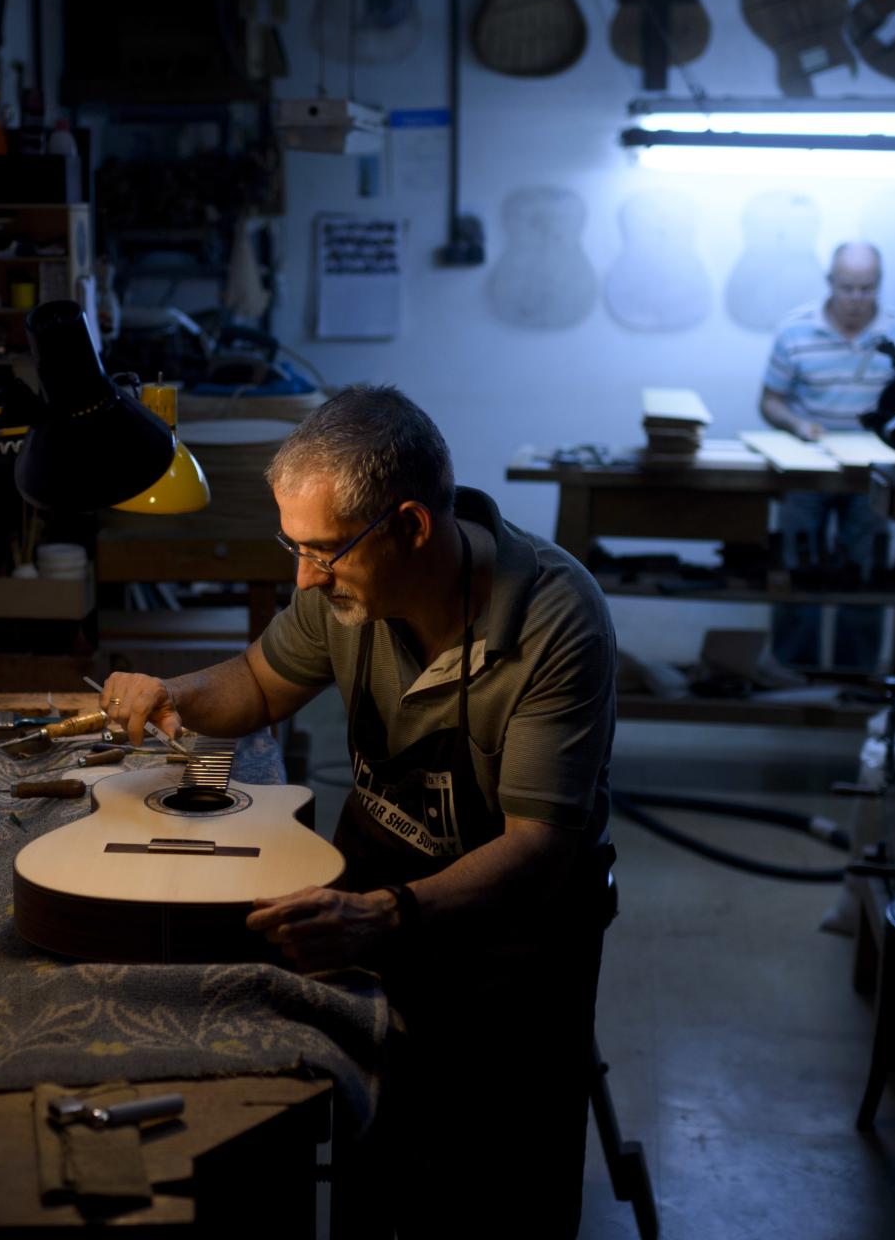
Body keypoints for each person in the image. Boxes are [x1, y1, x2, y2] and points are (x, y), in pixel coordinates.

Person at [99, 386, 618, 1238]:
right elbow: (263, 682)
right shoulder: (344, 589)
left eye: (323, 552)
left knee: (496, 1188)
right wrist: (171, 693)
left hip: (513, 950)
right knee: (378, 1159)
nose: (303, 575)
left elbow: (539, 848)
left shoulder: (556, 623)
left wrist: (384, 914)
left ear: (412, 527)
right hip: (376, 904)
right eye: (293, 547)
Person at [760, 242, 895, 671]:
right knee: (797, 575)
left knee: (866, 578)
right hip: (808, 471)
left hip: (873, 475)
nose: (855, 299)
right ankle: (794, 675)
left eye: (866, 289)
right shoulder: (794, 330)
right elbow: (770, 401)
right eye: (847, 287)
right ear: (830, 282)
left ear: (879, 285)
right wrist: (798, 425)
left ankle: (857, 678)